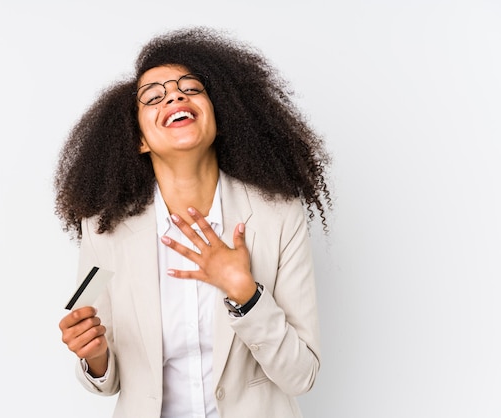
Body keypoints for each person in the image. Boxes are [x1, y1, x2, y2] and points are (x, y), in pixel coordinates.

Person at [56, 26, 331, 418]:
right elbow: (98, 360)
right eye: (153, 97)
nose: (174, 96)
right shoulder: (102, 230)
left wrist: (245, 294)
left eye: (191, 88)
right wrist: (94, 355)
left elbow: (301, 376)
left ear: (220, 117)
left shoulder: (279, 215)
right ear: (139, 140)